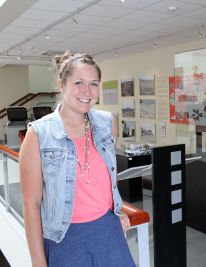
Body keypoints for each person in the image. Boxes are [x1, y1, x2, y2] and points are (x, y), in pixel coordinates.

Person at [19, 51, 136, 267]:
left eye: (93, 84)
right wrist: (38, 262)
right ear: (61, 85)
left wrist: (116, 211)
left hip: (108, 232)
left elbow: (108, 176)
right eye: (79, 82)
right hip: (65, 238)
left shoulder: (107, 124)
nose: (87, 91)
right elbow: (31, 204)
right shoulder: (38, 135)